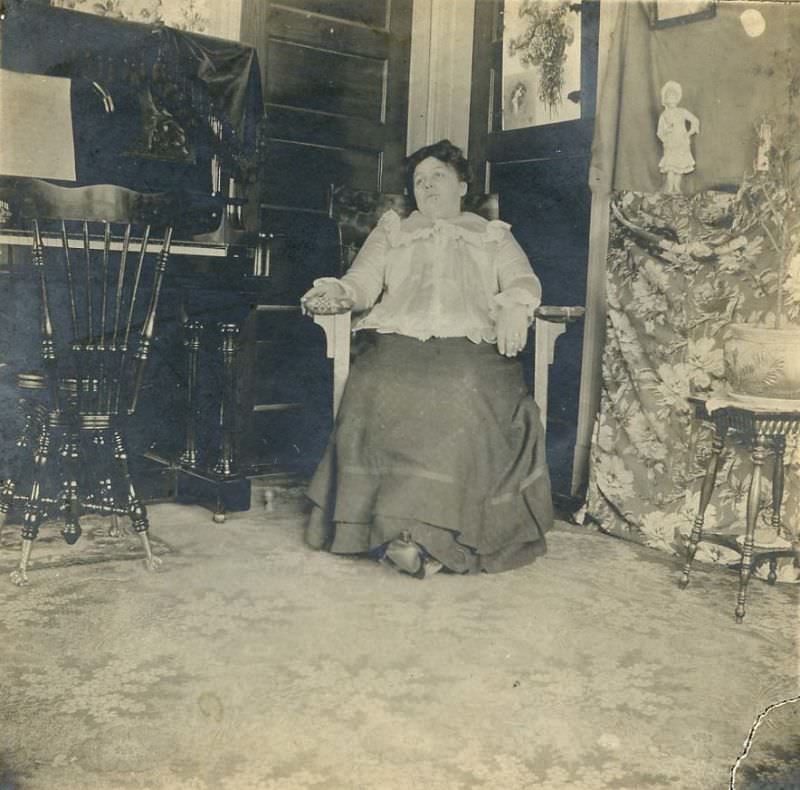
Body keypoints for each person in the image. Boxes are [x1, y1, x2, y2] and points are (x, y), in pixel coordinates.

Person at [300, 139, 554, 577]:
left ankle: (434, 539)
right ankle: (396, 533)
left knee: (459, 391)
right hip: (399, 337)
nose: (428, 186)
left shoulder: (493, 235)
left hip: (471, 345)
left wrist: (515, 304)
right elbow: (362, 281)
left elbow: (523, 279)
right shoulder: (393, 230)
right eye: (420, 181)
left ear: (462, 185)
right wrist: (338, 290)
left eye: (438, 176)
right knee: (375, 382)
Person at [657, 81, 700, 194]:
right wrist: (667, 131)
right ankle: (670, 188)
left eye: (674, 97)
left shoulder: (682, 112)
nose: (672, 100)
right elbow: (660, 131)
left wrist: (689, 132)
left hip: (682, 143)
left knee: (679, 167)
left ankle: (677, 188)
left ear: (677, 98)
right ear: (666, 99)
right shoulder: (664, 115)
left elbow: (695, 120)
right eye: (669, 97)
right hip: (671, 143)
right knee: (670, 166)